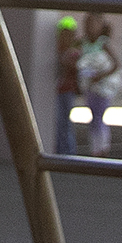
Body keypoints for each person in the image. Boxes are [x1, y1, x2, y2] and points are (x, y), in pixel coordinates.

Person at [74, 12, 121, 157]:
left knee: (99, 116)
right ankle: (96, 147)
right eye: (87, 24)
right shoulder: (82, 42)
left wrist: (100, 75)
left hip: (103, 87)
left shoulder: (103, 43)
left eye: (93, 25)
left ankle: (102, 147)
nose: (89, 28)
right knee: (94, 116)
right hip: (89, 86)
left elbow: (116, 64)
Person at [51, 15, 84, 157]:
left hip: (67, 91)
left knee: (64, 122)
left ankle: (68, 152)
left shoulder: (74, 52)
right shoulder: (55, 51)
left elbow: (77, 69)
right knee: (59, 122)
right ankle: (61, 150)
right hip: (58, 90)